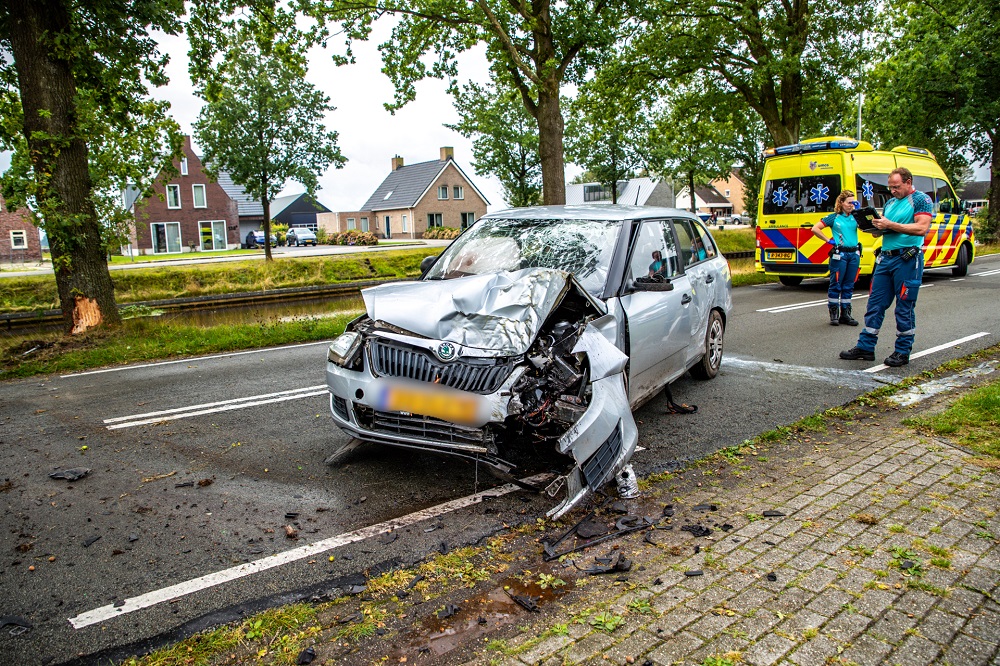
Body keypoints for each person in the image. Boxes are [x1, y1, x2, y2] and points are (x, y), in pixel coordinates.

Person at [840, 167, 933, 366]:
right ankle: (866, 346)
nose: (892, 191)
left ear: (908, 182)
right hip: (886, 258)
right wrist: (874, 228)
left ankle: (902, 350)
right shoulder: (890, 203)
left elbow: (921, 228)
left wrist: (889, 225)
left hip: (907, 258)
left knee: (904, 306)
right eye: (890, 187)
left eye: (897, 187)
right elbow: (885, 228)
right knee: (875, 303)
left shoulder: (920, 200)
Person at [811, 190, 861, 326]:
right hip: (840, 255)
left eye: (853, 202)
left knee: (849, 285)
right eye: (849, 202)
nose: (851, 205)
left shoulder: (855, 216)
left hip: (854, 254)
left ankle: (846, 314)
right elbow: (815, 229)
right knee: (836, 284)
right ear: (841, 203)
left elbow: (868, 226)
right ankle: (834, 314)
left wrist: (862, 212)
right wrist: (828, 240)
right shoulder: (834, 217)